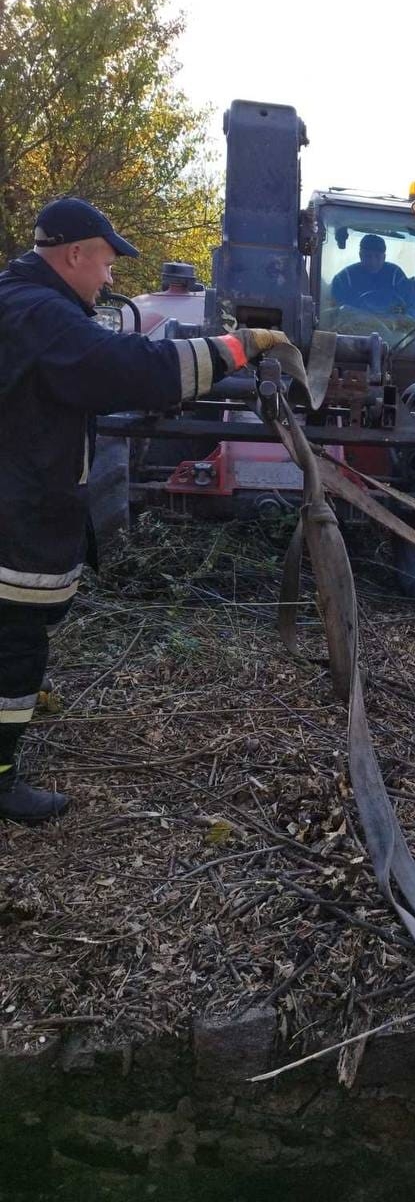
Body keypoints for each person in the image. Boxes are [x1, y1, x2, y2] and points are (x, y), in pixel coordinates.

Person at [0, 197, 293, 825]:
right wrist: (234, 348)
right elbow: (130, 370)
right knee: (12, 644)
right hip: (15, 513)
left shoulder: (19, 300)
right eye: (105, 263)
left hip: (20, 497)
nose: (110, 279)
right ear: (74, 254)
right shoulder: (41, 315)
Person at [330, 233, 415, 318]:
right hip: (352, 331)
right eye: (368, 256)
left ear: (384, 257)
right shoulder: (344, 279)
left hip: (393, 332)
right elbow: (334, 314)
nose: (373, 262)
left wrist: (403, 320)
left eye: (377, 256)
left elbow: (413, 309)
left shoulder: (396, 276)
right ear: (360, 255)